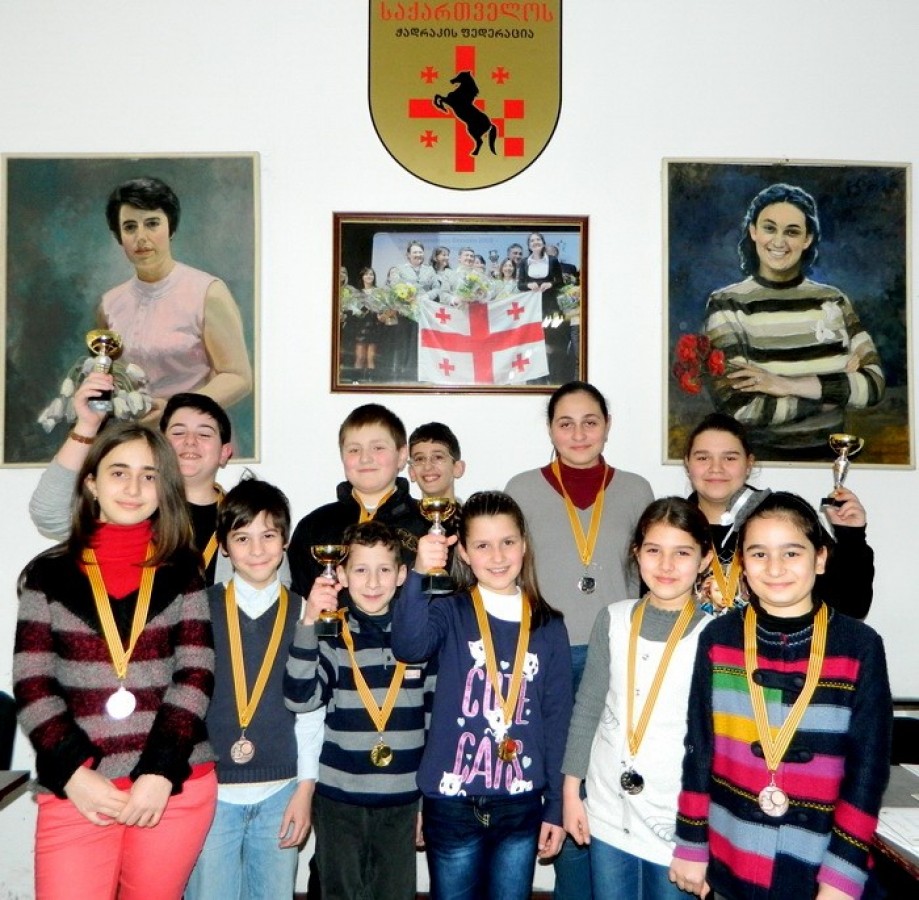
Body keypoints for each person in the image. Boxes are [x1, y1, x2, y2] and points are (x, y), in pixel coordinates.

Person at [13, 422, 217, 900]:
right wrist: (72, 771)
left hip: (171, 787)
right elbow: (32, 683)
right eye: (118, 472)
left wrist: (160, 770)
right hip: (79, 788)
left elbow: (195, 674)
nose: (133, 487)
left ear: (164, 489)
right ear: (91, 482)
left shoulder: (184, 570)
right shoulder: (47, 574)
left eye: (149, 476)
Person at [669, 492, 891, 899]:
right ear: (742, 563)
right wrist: (691, 842)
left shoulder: (859, 646)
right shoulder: (719, 637)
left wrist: (842, 874)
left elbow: (868, 771)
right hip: (732, 855)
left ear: (820, 558)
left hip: (819, 866)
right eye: (759, 554)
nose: (774, 568)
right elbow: (699, 748)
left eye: (791, 553)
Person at [506, 380, 654, 900]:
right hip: (545, 657)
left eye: (590, 422)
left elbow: (647, 579)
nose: (578, 433)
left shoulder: (636, 489)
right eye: (565, 423)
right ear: (550, 429)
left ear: (607, 426)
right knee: (562, 785)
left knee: (608, 784)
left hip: (616, 660)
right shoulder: (521, 488)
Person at [392, 491, 573, 900]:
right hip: (451, 801)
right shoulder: (449, 610)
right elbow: (408, 646)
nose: (497, 556)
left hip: (520, 800)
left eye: (507, 542)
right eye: (482, 545)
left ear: (524, 545)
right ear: (464, 553)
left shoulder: (549, 626)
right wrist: (419, 571)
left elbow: (558, 720)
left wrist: (556, 807)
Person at [562, 498, 714, 899]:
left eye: (682, 553)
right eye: (653, 550)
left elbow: (718, 744)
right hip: (607, 810)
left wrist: (705, 834)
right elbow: (588, 708)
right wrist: (571, 793)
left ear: (704, 559)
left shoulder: (716, 636)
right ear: (636, 553)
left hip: (677, 820)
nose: (666, 565)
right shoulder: (612, 619)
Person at [284, 521, 433, 900]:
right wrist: (308, 621)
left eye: (384, 569)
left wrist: (425, 802)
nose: (373, 582)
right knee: (339, 892)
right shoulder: (332, 633)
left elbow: (433, 725)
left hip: (403, 798)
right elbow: (300, 698)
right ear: (343, 576)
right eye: (361, 570)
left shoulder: (420, 638)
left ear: (402, 575)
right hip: (339, 798)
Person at [185, 479, 316, 900]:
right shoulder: (197, 609)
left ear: (285, 540)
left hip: (282, 789)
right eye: (242, 538)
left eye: (268, 536)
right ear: (224, 545)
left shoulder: (305, 613)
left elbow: (311, 713)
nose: (257, 549)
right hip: (210, 790)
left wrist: (305, 789)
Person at [703, 182, 884, 458]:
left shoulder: (833, 300)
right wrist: (831, 396)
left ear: (807, 239)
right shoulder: (727, 304)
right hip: (758, 459)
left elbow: (873, 385)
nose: (779, 242)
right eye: (769, 228)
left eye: (792, 231)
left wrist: (785, 385)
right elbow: (742, 406)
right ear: (753, 231)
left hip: (832, 456)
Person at [29, 386, 236, 586]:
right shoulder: (131, 505)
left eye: (204, 434)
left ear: (225, 453)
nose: (190, 441)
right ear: (159, 444)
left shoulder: (243, 515)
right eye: (178, 432)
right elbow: (48, 514)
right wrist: (87, 426)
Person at [683, 412, 874, 617]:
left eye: (730, 458)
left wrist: (851, 537)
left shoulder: (784, 516)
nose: (716, 468)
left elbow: (852, 607)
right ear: (687, 463)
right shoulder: (674, 524)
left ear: (749, 464)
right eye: (703, 457)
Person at [99, 176, 253, 422]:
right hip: (130, 435)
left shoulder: (207, 292)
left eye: (152, 224)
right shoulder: (110, 303)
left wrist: (174, 409)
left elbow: (238, 378)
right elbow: (107, 377)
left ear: (170, 228)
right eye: (129, 227)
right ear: (119, 236)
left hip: (191, 430)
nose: (141, 237)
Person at [287, 403, 429, 596]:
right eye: (354, 450)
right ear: (342, 456)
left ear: (402, 455)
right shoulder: (313, 527)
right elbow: (300, 601)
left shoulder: (426, 524)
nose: (365, 458)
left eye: (378, 448)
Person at [517, 231, 573, 383]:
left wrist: (550, 284)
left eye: (538, 239)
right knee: (534, 344)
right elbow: (520, 285)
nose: (535, 242)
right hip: (532, 309)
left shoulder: (553, 260)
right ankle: (535, 381)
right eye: (532, 240)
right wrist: (528, 285)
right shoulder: (524, 262)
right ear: (529, 245)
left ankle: (554, 380)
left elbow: (560, 282)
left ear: (543, 243)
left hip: (551, 307)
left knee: (552, 344)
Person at [408, 421, 466, 502]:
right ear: (412, 472)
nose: (427, 467)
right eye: (420, 459)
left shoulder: (478, 510)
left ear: (457, 468)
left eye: (438, 457)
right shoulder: (396, 509)